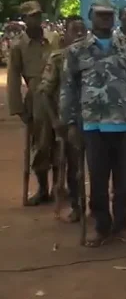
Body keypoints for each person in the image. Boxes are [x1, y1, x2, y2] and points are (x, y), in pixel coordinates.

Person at [59, 0, 126, 247]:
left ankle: (121, 226)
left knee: (124, 182)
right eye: (100, 14)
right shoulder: (76, 51)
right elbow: (68, 89)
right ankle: (101, 226)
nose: (105, 18)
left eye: (109, 15)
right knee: (97, 182)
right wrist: (70, 124)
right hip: (93, 126)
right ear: (91, 16)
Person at [7, 0, 58, 206]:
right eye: (32, 16)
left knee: (62, 143)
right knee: (42, 143)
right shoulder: (19, 45)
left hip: (58, 92)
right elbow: (13, 77)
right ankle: (43, 188)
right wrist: (18, 108)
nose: (37, 19)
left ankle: (59, 188)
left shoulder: (54, 38)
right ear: (25, 19)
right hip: (36, 96)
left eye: (39, 15)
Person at [36, 15, 87, 222]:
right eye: (75, 30)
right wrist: (56, 121)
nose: (80, 34)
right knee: (74, 166)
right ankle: (77, 205)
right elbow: (44, 92)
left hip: (92, 119)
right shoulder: (58, 59)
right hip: (69, 119)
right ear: (65, 34)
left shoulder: (93, 56)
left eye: (83, 30)